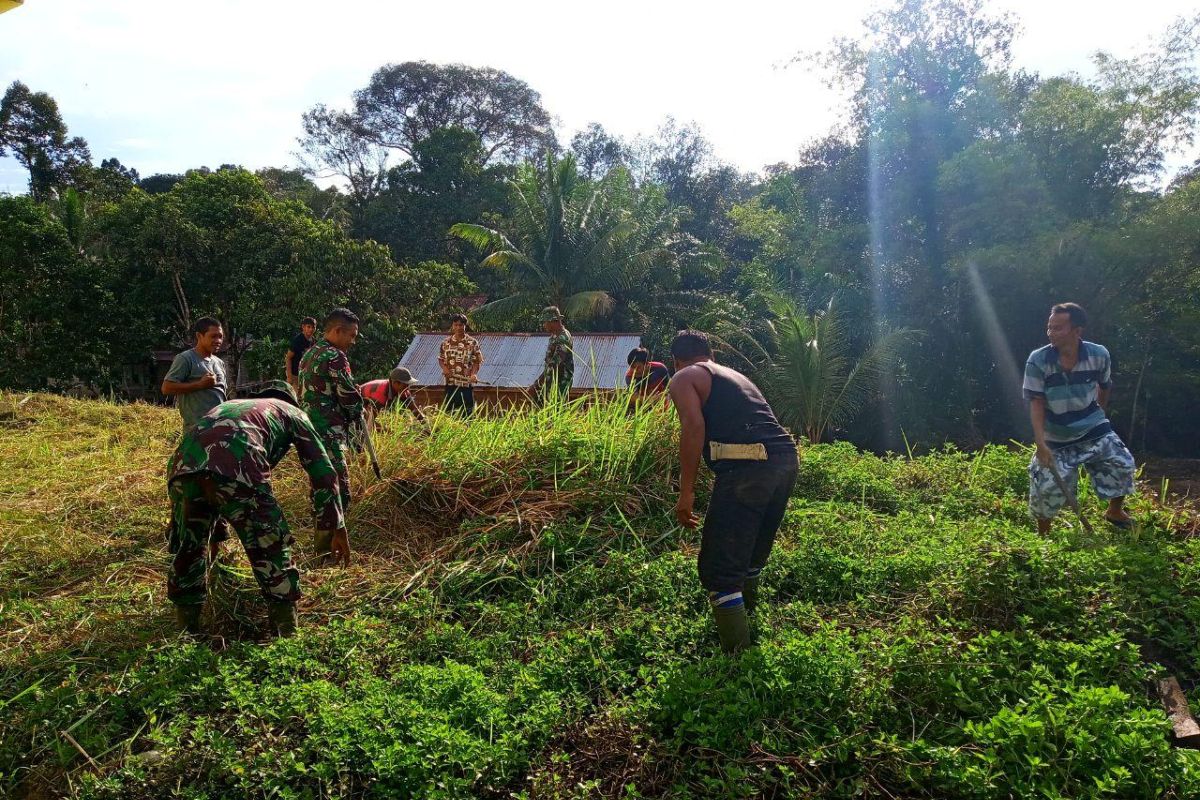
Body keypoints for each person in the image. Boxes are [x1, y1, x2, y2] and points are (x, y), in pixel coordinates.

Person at [165, 380, 350, 637]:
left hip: (182, 470)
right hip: (238, 468)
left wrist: (212, 534)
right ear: (291, 401)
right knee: (270, 546)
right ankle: (285, 634)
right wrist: (334, 524)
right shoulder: (292, 412)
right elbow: (323, 472)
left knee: (189, 548)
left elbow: (208, 473)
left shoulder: (231, 405)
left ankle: (186, 632)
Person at [667, 330, 799, 653]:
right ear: (709, 353)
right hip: (785, 461)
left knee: (720, 570)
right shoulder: (734, 375)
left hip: (749, 465)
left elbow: (693, 428)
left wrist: (686, 493)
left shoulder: (684, 377)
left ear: (676, 361)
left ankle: (738, 662)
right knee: (751, 553)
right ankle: (749, 617)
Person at [1024, 302, 1136, 533]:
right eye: (1049, 328)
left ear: (1077, 331)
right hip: (1055, 434)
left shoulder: (1098, 355)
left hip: (1092, 425)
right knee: (1045, 486)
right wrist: (1040, 442)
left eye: (1058, 328)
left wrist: (1100, 414)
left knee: (1122, 463)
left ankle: (1114, 512)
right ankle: (1043, 533)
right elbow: (1036, 402)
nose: (1051, 333)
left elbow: (1105, 386)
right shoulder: (1038, 360)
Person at [299, 308, 364, 520]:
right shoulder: (335, 356)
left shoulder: (309, 353)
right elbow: (348, 396)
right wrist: (357, 407)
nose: (353, 341)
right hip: (328, 430)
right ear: (337, 331)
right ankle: (333, 539)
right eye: (352, 335)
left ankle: (321, 535)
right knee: (338, 488)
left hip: (308, 430)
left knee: (319, 482)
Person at [161, 316, 228, 431]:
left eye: (220, 336)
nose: (218, 341)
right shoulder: (185, 359)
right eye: (213, 336)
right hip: (197, 431)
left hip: (219, 430)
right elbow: (166, 388)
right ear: (199, 336)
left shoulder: (219, 362)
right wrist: (200, 385)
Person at [438, 313, 483, 416]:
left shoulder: (472, 343)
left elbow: (477, 362)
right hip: (450, 384)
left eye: (461, 325)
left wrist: (474, 374)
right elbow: (440, 359)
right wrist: (445, 369)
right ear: (452, 326)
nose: (458, 327)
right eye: (456, 325)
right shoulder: (445, 343)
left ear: (465, 326)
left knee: (468, 415)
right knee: (449, 415)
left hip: (465, 384)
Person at [359, 367, 429, 430]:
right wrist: (391, 432)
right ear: (395, 383)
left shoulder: (403, 390)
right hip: (355, 404)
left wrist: (428, 427)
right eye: (405, 385)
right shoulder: (380, 393)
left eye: (408, 385)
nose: (407, 388)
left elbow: (415, 410)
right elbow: (369, 422)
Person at [536, 306, 574, 402]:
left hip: (560, 383)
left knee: (557, 411)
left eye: (545, 322)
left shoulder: (563, 338)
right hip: (551, 382)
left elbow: (555, 364)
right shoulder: (554, 337)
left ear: (553, 321)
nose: (544, 325)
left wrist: (537, 383)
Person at [285, 317, 317, 392]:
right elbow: (288, 358)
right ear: (303, 327)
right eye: (308, 327)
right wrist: (289, 377)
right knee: (295, 400)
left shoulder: (314, 341)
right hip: (295, 375)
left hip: (307, 377)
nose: (311, 329)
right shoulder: (297, 341)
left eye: (313, 327)